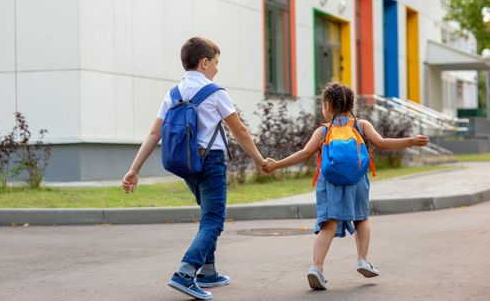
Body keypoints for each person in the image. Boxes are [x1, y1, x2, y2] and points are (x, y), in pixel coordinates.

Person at [122, 37, 267, 300]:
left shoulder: (173, 94)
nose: (217, 69)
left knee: (207, 216)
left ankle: (208, 271)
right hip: (210, 162)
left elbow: (155, 133)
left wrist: (134, 169)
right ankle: (185, 273)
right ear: (204, 62)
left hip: (185, 164)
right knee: (213, 220)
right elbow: (241, 131)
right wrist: (258, 159)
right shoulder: (215, 92)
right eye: (216, 63)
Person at [263, 82, 429, 290]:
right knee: (361, 218)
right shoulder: (361, 125)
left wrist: (276, 164)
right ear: (351, 104)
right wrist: (411, 141)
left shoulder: (323, 130)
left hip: (329, 182)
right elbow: (382, 142)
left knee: (328, 224)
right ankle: (362, 260)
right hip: (357, 180)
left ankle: (317, 267)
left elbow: (304, 153)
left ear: (327, 106)